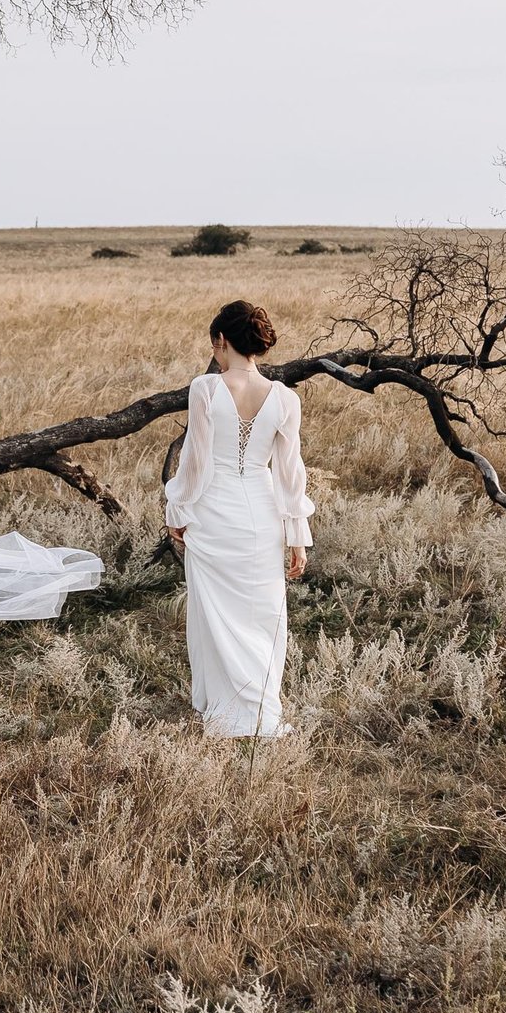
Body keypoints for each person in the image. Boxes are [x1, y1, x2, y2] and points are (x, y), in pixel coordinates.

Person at [163, 300, 314, 737]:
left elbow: (195, 462)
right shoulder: (286, 398)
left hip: (214, 513)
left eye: (216, 346)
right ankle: (259, 712)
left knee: (213, 613)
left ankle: (225, 713)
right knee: (264, 612)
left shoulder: (206, 389)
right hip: (262, 514)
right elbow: (290, 476)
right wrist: (296, 537)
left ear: (222, 342)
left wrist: (179, 508)